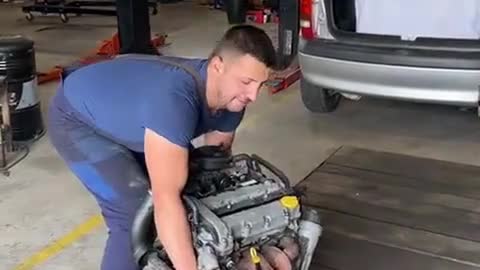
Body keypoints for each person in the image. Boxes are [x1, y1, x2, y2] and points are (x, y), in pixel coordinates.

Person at [47, 24, 277, 270]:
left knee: (192, 182)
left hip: (136, 116)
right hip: (77, 119)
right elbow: (165, 198)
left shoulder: (232, 100)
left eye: (259, 85)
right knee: (133, 211)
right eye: (246, 82)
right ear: (218, 66)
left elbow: (214, 166)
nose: (253, 95)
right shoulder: (175, 101)